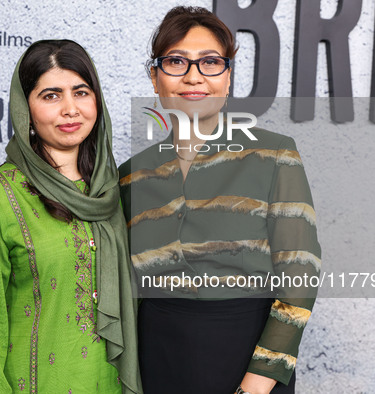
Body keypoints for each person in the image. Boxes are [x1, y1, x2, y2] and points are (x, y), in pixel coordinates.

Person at [119, 7, 321, 394]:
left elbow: (301, 272)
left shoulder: (274, 155)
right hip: (156, 360)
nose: (193, 76)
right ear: (155, 77)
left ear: (227, 78)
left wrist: (259, 382)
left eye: (210, 63)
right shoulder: (131, 175)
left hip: (247, 360)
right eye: (176, 62)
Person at [0, 40, 141, 394]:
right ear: (25, 107)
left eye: (81, 92)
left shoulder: (115, 192)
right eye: (51, 95)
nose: (71, 110)